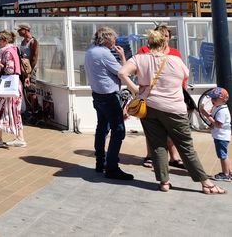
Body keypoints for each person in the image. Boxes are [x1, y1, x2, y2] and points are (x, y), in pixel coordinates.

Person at [118, 29, 225, 194]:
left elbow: (122, 73)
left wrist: (136, 91)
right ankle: (205, 182)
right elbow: (185, 75)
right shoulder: (175, 60)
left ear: (149, 43)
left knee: (157, 145)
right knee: (185, 146)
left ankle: (164, 182)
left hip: (149, 107)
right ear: (164, 43)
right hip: (174, 108)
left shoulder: (139, 58)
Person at [83, 27, 131, 179]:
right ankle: (111, 167)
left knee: (102, 128)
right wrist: (123, 56)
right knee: (118, 130)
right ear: (107, 39)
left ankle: (100, 162)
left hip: (98, 94)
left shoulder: (91, 51)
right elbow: (123, 72)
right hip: (109, 96)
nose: (115, 42)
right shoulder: (104, 53)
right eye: (113, 39)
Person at [137, 25, 184, 169]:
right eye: (161, 35)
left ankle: (174, 157)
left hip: (172, 97)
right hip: (152, 98)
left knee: (171, 130)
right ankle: (150, 155)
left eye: (166, 36)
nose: (164, 38)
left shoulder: (175, 53)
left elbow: (182, 75)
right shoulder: (144, 52)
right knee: (152, 130)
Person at [0, 30, 26, 148]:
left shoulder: (7, 52)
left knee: (0, 110)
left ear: (5, 40)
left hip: (7, 87)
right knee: (13, 112)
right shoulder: (13, 50)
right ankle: (18, 138)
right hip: (12, 87)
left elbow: (9, 70)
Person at [200, 87, 231, 182]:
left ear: (223, 99)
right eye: (212, 98)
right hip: (220, 135)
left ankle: (225, 174)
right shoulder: (218, 107)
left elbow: (218, 124)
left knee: (222, 155)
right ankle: (228, 172)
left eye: (215, 98)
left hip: (221, 136)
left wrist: (206, 115)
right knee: (223, 154)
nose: (212, 100)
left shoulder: (222, 111)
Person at [16, 23, 40, 123]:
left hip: (30, 70)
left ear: (25, 30)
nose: (18, 32)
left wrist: (29, 72)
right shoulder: (23, 41)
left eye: (19, 30)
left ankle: (35, 113)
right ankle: (28, 111)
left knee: (31, 90)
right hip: (23, 70)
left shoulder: (33, 42)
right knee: (25, 91)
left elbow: (34, 58)